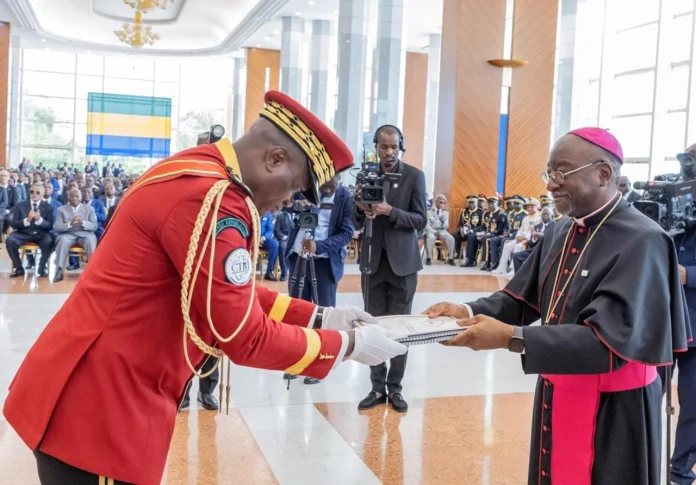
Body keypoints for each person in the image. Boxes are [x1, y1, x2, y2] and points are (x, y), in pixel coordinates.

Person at [3, 91, 407, 485]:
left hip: (100, 389)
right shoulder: (214, 198)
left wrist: (320, 315)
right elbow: (241, 335)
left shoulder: (199, 169)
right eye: (295, 188)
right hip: (102, 409)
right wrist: (345, 345)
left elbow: (221, 289)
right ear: (275, 159)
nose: (289, 203)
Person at [425, 127, 691, 485]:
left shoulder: (644, 239)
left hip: (616, 410)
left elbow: (608, 343)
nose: (551, 184)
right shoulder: (560, 230)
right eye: (549, 172)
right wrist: (467, 311)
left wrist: (512, 338)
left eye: (562, 172)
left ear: (604, 173)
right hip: (559, 386)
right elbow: (521, 298)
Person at [353, 124, 427, 414]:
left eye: (394, 147)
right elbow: (356, 220)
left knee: (400, 329)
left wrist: (390, 211)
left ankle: (395, 389)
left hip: (403, 264)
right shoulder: (364, 175)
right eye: (383, 147)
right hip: (372, 261)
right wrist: (361, 207)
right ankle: (375, 387)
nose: (388, 152)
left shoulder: (414, 176)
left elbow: (421, 219)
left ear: (401, 146)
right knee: (373, 327)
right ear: (376, 147)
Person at [666, 145, 696, 485]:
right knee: (645, 395)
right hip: (662, 319)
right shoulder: (670, 199)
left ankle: (680, 473)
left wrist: (688, 274)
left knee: (693, 405)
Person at [5, 183, 55, 278]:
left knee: (50, 240)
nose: (34, 194)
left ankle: (42, 267)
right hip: (23, 233)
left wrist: (39, 220)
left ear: (42, 194)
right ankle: (19, 268)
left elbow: (50, 226)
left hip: (41, 234)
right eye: (32, 192)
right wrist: (27, 220)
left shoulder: (48, 207)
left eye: (37, 192)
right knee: (10, 241)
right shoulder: (20, 205)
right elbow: (14, 223)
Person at [53, 188, 98, 282]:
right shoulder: (61, 210)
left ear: (81, 197)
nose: (74, 198)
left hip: (85, 234)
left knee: (90, 240)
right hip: (68, 234)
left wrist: (83, 223)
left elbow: (94, 226)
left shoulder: (89, 209)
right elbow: (57, 227)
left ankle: (93, 271)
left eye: (77, 196)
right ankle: (59, 270)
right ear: (68, 198)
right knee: (63, 241)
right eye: (72, 196)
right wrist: (69, 224)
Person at [494, 197, 540, 276]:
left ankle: (513, 269)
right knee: (507, 246)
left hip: (529, 240)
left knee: (517, 247)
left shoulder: (539, 218)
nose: (530, 208)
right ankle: (502, 268)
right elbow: (521, 229)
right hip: (521, 238)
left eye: (532, 206)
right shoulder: (526, 218)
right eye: (528, 207)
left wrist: (524, 238)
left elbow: (536, 232)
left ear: (537, 207)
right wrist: (517, 237)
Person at [511, 206, 555, 273]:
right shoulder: (536, 226)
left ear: (551, 215)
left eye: (547, 214)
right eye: (543, 214)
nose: (545, 216)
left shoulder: (555, 225)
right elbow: (531, 243)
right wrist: (534, 238)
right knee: (516, 256)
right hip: (534, 250)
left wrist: (541, 236)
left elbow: (552, 239)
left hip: (546, 251)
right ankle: (519, 277)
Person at [424, 193, 456, 265]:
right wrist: (434, 232)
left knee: (451, 238)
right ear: (436, 201)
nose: (442, 204)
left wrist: (443, 222)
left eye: (444, 203)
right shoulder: (429, 211)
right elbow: (426, 225)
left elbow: (446, 226)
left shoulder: (445, 212)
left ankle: (451, 258)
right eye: (441, 202)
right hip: (431, 230)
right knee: (430, 237)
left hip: (442, 230)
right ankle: (428, 258)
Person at [453, 195, 478, 260]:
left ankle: (469, 257)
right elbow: (459, 224)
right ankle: (458, 253)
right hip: (464, 232)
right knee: (455, 235)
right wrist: (461, 229)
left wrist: (472, 230)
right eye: (469, 202)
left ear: (476, 203)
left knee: (471, 236)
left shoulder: (480, 212)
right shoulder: (464, 212)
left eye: (473, 202)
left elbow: (481, 226)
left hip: (474, 232)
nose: (471, 204)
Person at [260, 210, 279, 280]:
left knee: (275, 244)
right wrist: (254, 238)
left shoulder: (268, 214)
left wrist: (263, 237)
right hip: (252, 238)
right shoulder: (252, 210)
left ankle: (269, 271)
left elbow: (270, 230)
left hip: (264, 239)